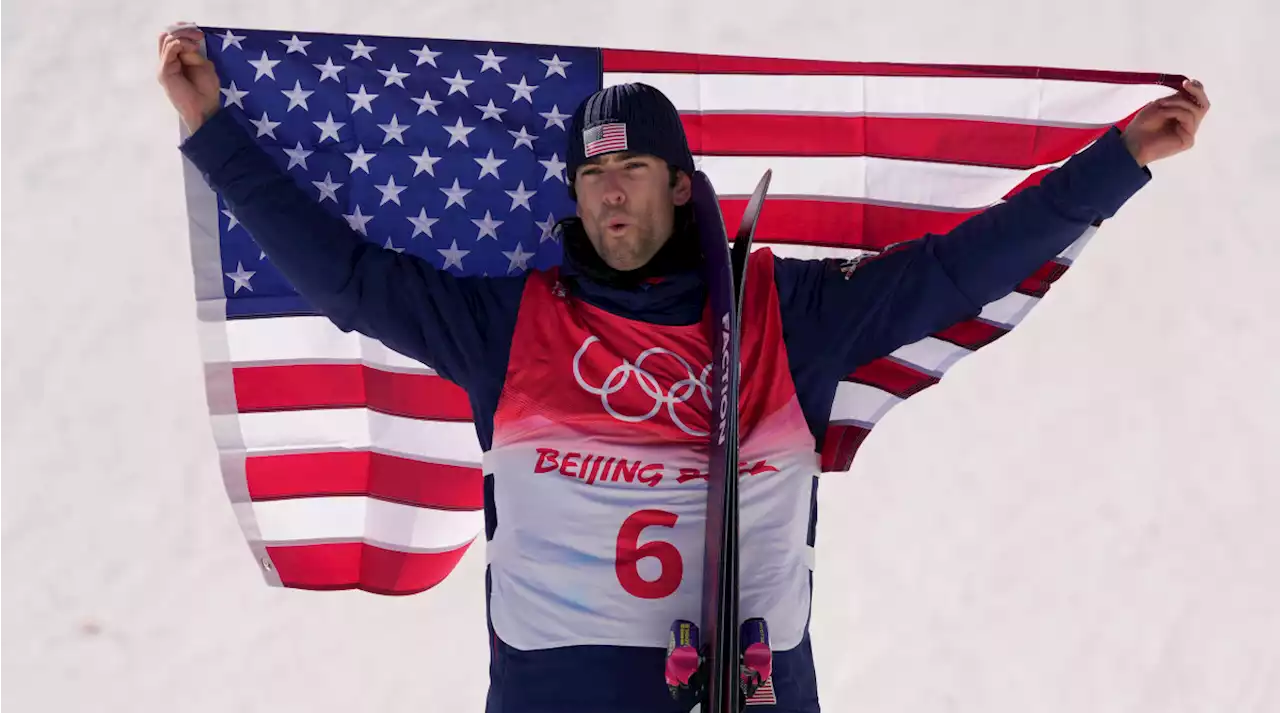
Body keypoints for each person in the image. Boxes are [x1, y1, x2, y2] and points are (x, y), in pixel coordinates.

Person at [158, 25, 1209, 713]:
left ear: (678, 182)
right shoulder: (507, 324)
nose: (611, 193)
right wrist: (213, 134)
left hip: (744, 687)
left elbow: (952, 272)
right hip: (556, 690)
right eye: (593, 175)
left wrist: (1115, 162)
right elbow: (349, 278)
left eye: (633, 170)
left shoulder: (785, 313)